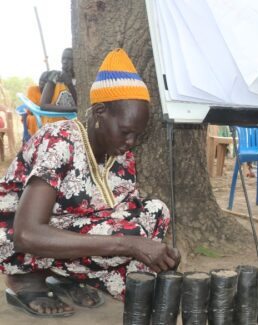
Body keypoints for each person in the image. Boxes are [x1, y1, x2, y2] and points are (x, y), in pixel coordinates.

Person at [0, 49, 180, 317]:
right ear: (100, 112)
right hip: (18, 241)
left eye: (137, 135)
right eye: (126, 132)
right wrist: (129, 245)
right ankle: (25, 279)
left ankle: (71, 276)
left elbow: (125, 212)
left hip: (75, 232)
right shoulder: (59, 141)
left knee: (156, 211)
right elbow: (27, 234)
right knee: (127, 237)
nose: (131, 143)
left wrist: (150, 248)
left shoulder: (120, 154)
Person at [39, 48, 78, 122]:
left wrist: (70, 84)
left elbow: (80, 103)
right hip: (55, 124)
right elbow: (43, 105)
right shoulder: (55, 77)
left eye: (69, 59)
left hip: (76, 125)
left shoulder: (81, 80)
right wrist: (74, 109)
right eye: (63, 58)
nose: (65, 62)